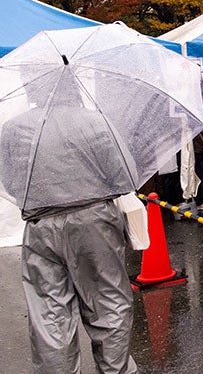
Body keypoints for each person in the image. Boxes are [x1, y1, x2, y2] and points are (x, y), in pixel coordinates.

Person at [0, 79, 137, 373]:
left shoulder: (14, 128)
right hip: (94, 221)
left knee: (49, 312)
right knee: (108, 302)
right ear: (71, 84)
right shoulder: (96, 123)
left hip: (40, 223)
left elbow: (10, 182)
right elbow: (125, 174)